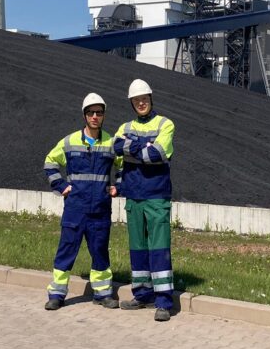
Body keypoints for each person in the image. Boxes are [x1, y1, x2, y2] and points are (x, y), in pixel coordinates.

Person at [42, 93, 121, 311]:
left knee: (100, 251)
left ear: (103, 115)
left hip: (100, 209)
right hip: (75, 209)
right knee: (66, 250)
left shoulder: (111, 142)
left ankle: (103, 293)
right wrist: (60, 186)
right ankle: (57, 294)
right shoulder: (69, 142)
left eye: (99, 113)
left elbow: (123, 167)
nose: (95, 116)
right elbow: (50, 163)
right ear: (84, 115)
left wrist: (118, 187)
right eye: (91, 113)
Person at [112, 79, 176, 322]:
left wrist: (133, 149)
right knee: (138, 249)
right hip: (134, 196)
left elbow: (157, 154)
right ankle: (142, 295)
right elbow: (117, 147)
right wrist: (143, 147)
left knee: (159, 249)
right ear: (131, 102)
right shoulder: (124, 126)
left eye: (144, 99)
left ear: (151, 98)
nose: (141, 102)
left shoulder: (165, 124)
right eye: (136, 100)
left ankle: (163, 302)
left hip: (157, 196)